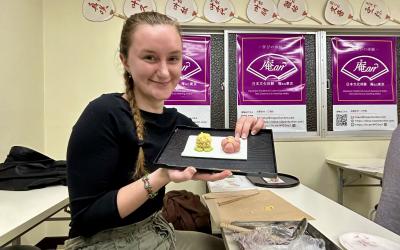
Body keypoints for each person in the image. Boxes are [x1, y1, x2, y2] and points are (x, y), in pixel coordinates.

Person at [64, 11, 264, 250]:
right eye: (150, 57)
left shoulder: (178, 123)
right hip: (103, 241)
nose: (164, 72)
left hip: (156, 230)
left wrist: (249, 137)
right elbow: (86, 217)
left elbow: (224, 164)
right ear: (125, 60)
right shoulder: (103, 114)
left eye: (173, 58)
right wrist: (161, 177)